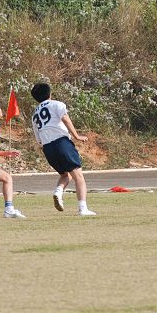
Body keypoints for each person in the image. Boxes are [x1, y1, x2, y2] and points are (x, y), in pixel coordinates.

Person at [30, 83, 96, 216]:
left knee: (65, 175)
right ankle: (83, 209)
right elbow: (65, 119)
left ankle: (58, 192)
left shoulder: (35, 114)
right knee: (78, 176)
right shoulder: (56, 104)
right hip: (61, 142)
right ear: (49, 93)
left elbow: (39, 139)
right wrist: (77, 136)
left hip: (48, 148)